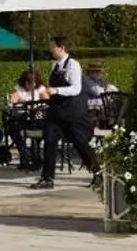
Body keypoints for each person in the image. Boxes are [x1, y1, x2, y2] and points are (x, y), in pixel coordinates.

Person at [33, 36, 97, 190]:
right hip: (56, 110)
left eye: (53, 47)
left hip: (71, 111)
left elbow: (76, 88)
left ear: (61, 48)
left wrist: (56, 90)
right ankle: (47, 178)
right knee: (49, 140)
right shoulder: (54, 65)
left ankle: (98, 171)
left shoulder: (73, 65)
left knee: (79, 142)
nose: (50, 49)